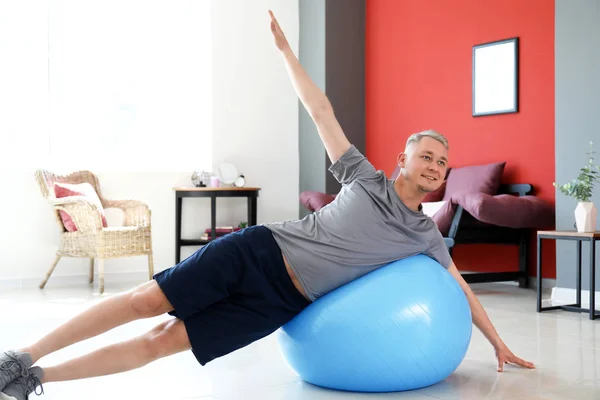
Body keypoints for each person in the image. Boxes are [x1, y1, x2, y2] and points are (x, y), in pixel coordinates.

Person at [0, 10, 534, 400]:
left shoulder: (425, 235)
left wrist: (498, 344)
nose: (436, 166)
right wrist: (285, 53)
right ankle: (25, 354)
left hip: (281, 303)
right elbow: (321, 111)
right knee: (146, 301)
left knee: (163, 342)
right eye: (427, 156)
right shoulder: (364, 177)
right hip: (257, 252)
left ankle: (35, 381)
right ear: (403, 158)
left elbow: (459, 288)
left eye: (443, 162)